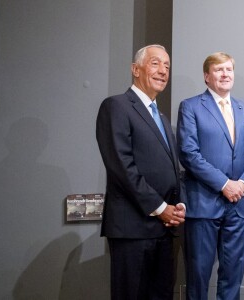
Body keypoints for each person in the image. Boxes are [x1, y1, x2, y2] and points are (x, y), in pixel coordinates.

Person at [96, 44, 186, 300]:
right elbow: (121, 167)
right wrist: (160, 207)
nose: (163, 71)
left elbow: (172, 170)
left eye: (167, 66)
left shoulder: (163, 118)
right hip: (132, 228)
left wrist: (178, 207)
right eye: (156, 63)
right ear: (136, 69)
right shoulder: (116, 106)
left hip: (164, 229)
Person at [176, 52, 244, 300]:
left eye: (229, 70)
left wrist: (242, 185)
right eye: (218, 70)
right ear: (206, 76)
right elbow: (189, 154)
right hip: (203, 203)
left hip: (238, 204)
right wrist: (224, 184)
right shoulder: (191, 106)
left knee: (233, 274)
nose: (225, 74)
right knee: (198, 274)